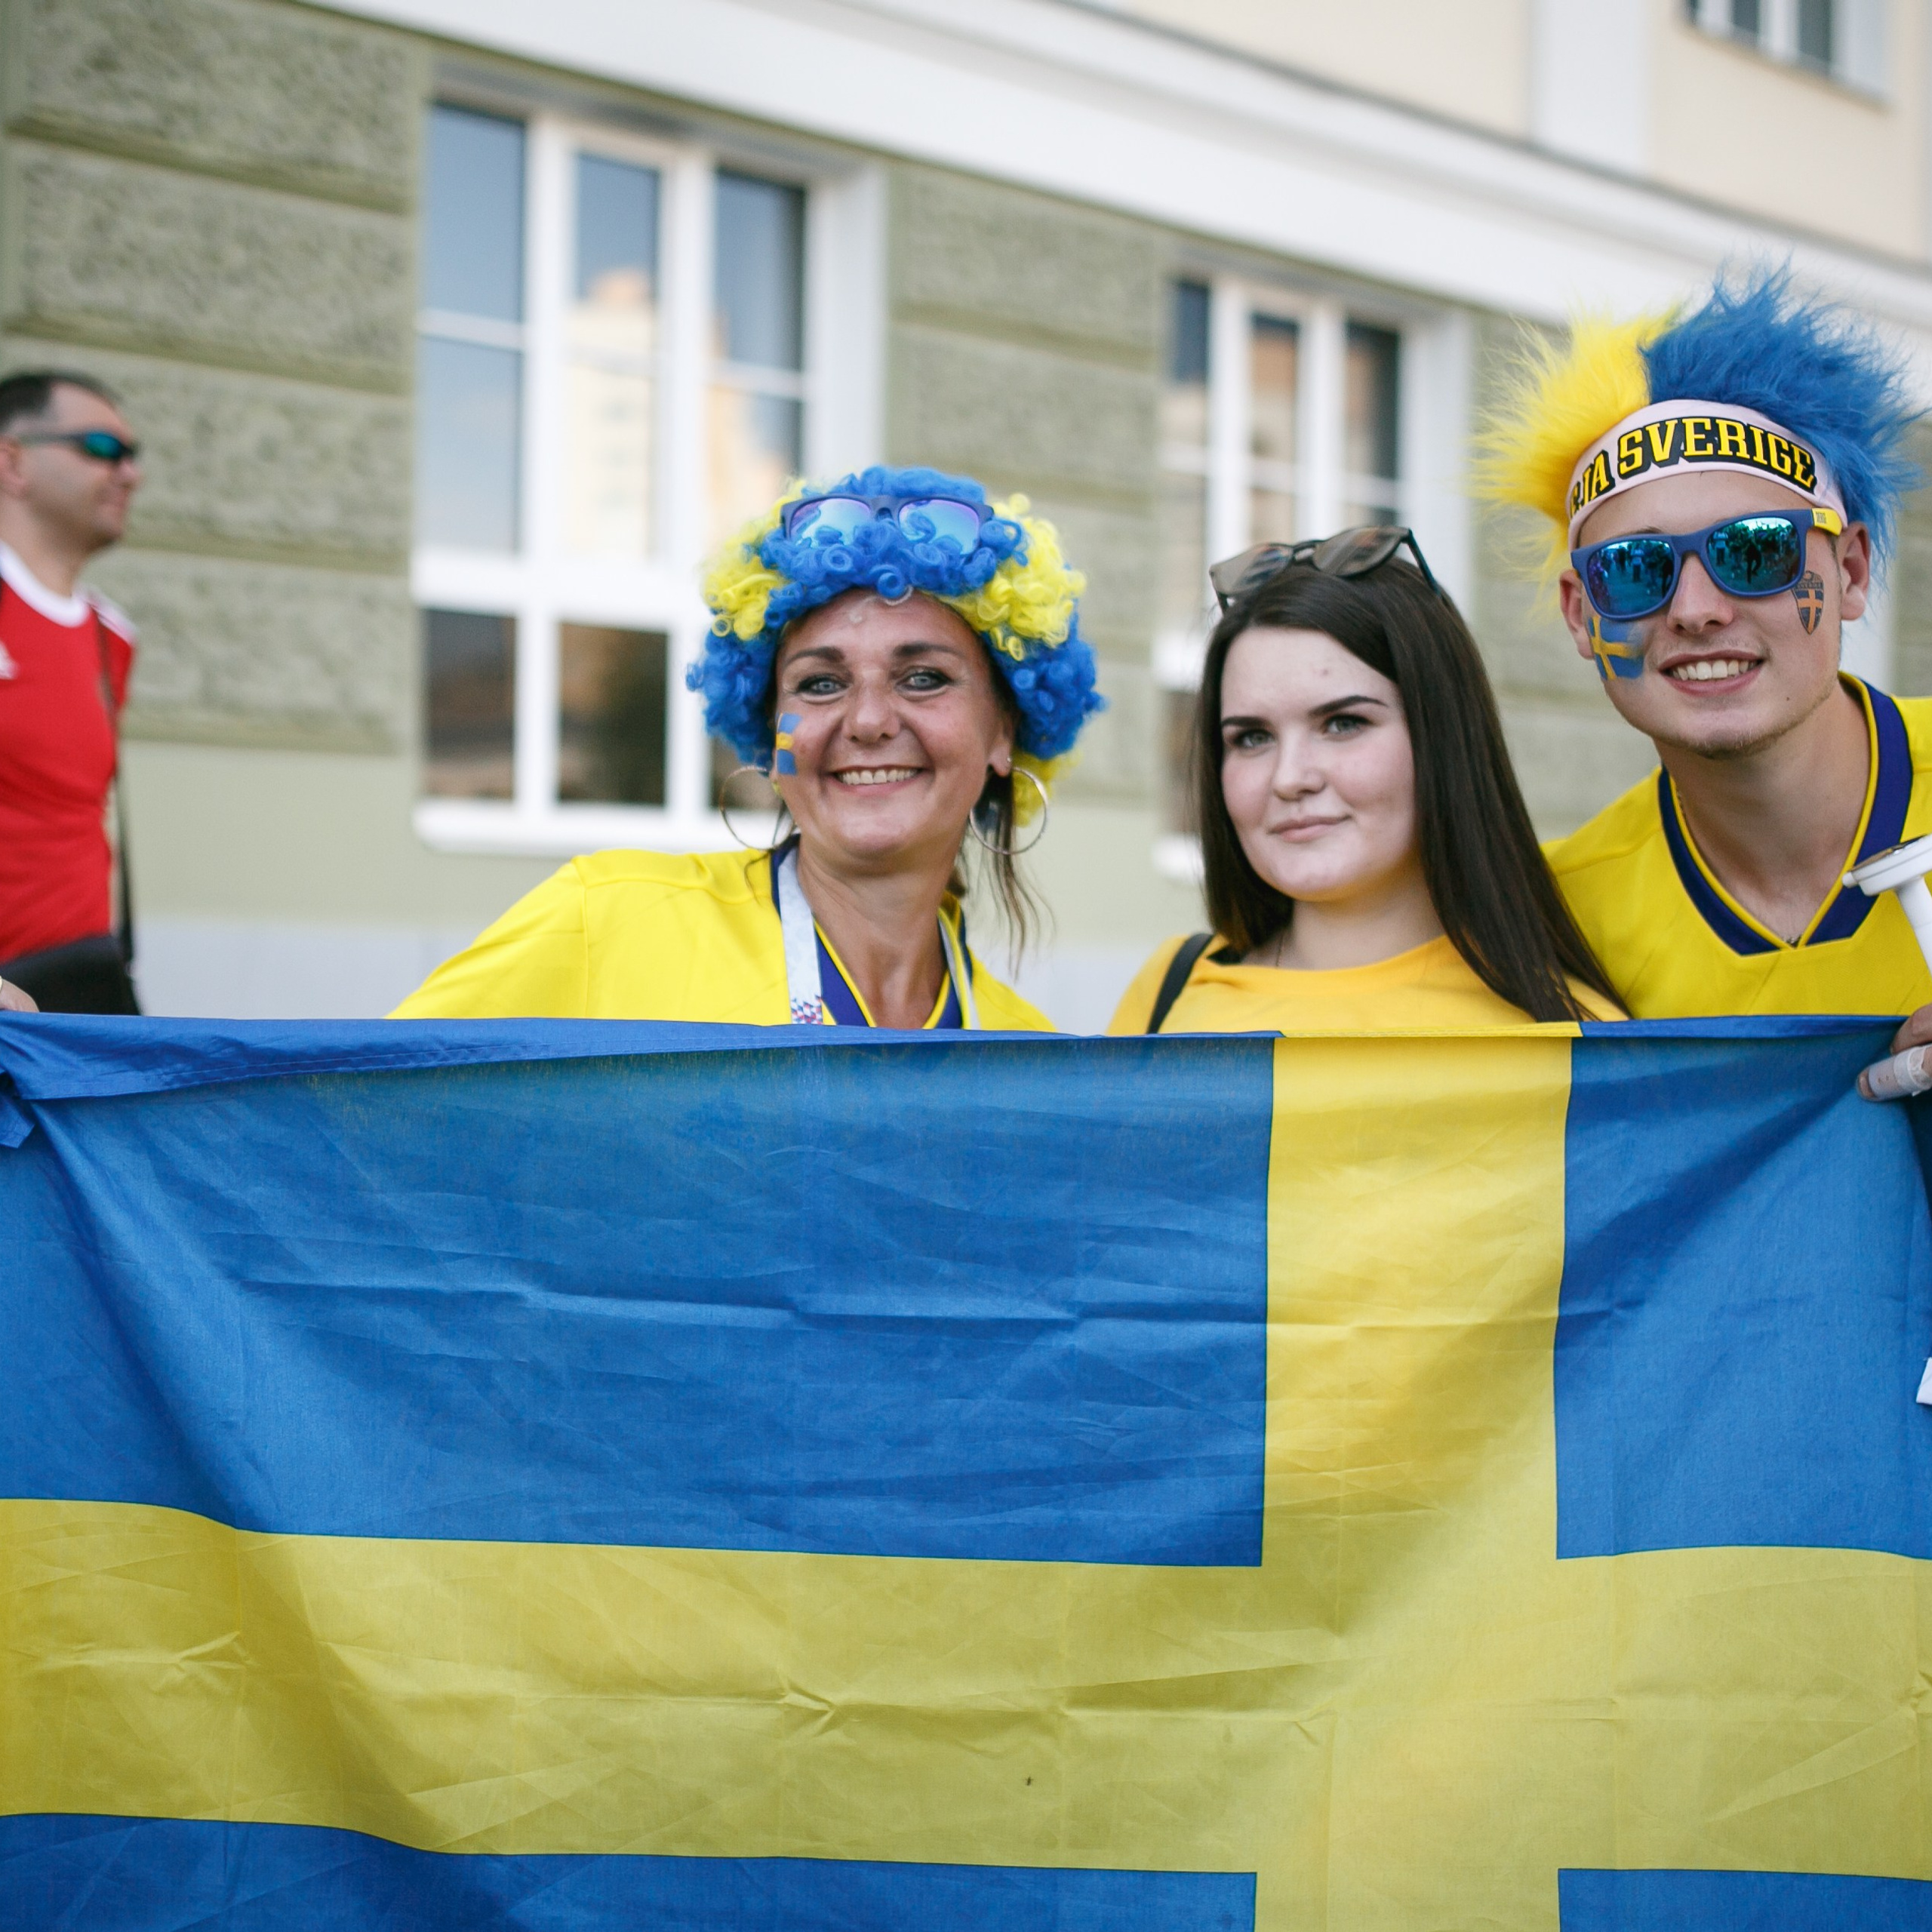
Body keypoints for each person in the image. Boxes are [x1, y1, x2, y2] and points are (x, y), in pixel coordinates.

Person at [395, 466, 1102, 1029]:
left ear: (1003, 732)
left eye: (923, 678)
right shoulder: (602, 923)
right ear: (771, 739)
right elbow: (355, 1114)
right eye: (820, 684)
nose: (867, 721)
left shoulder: (1027, 1057)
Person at [1476, 267, 1932, 1054]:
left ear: (1851, 573)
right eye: (1633, 569)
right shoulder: (1556, 924)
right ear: (1581, 613)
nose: (1695, 609)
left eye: (1755, 550)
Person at [1109, 526, 1620, 1034]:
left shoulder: (1569, 1034)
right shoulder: (1168, 992)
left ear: (1443, 737)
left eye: (1343, 724)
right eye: (1252, 738)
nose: (1289, 778)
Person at [0, 371, 143, 1017]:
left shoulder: (113, 637)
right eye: (101, 448)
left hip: (79, 996)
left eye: (132, 455)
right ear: (12, 463)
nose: (129, 473)